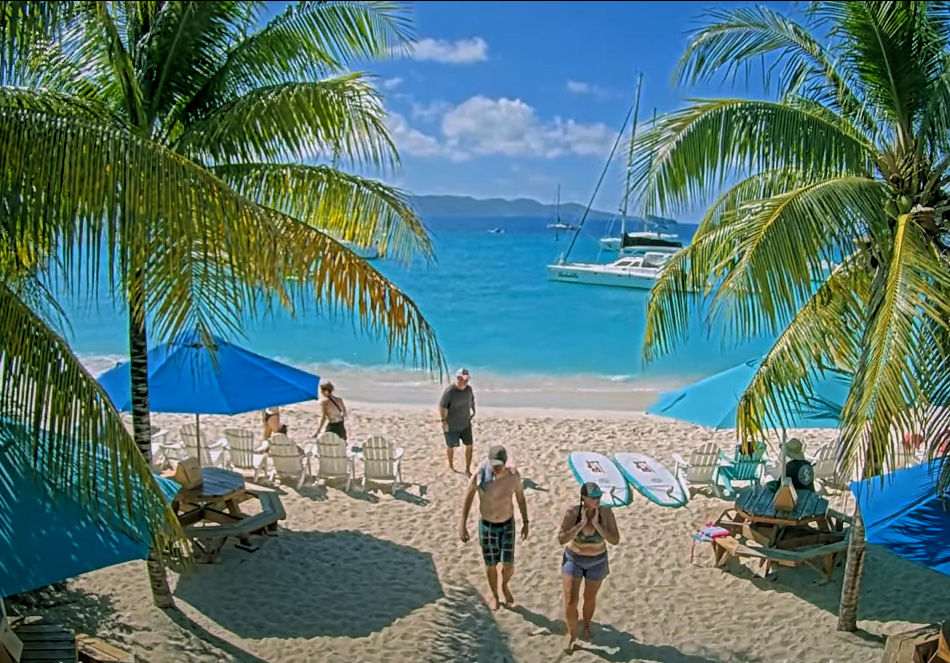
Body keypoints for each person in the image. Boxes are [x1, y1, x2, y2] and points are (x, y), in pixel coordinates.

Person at [458, 445, 529, 611]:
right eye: (493, 464)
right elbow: (468, 497)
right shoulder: (480, 474)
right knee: (490, 564)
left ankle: (504, 585)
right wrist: (462, 524)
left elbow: (520, 498)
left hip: (507, 524)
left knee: (508, 564)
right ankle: (495, 595)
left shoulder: (513, 476)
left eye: (499, 465)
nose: (496, 468)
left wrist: (526, 522)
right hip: (487, 525)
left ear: (505, 462)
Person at [557, 481, 620, 653]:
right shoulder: (573, 512)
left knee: (589, 598)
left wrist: (598, 525)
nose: (598, 499)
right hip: (574, 559)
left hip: (597, 560)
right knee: (571, 600)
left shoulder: (605, 512)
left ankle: (586, 625)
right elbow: (562, 539)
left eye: (599, 496)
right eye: (594, 497)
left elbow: (615, 539)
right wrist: (581, 524)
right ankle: (571, 634)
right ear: (584, 498)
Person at [440, 368, 476, 474]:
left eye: (466, 379)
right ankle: (451, 465)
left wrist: (473, 410)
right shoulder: (450, 391)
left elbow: (472, 400)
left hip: (465, 423)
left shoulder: (469, 389)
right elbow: (442, 407)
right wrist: (443, 421)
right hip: (451, 425)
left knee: (469, 445)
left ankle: (467, 469)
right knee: (450, 446)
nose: (465, 382)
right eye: (462, 379)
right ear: (458, 378)